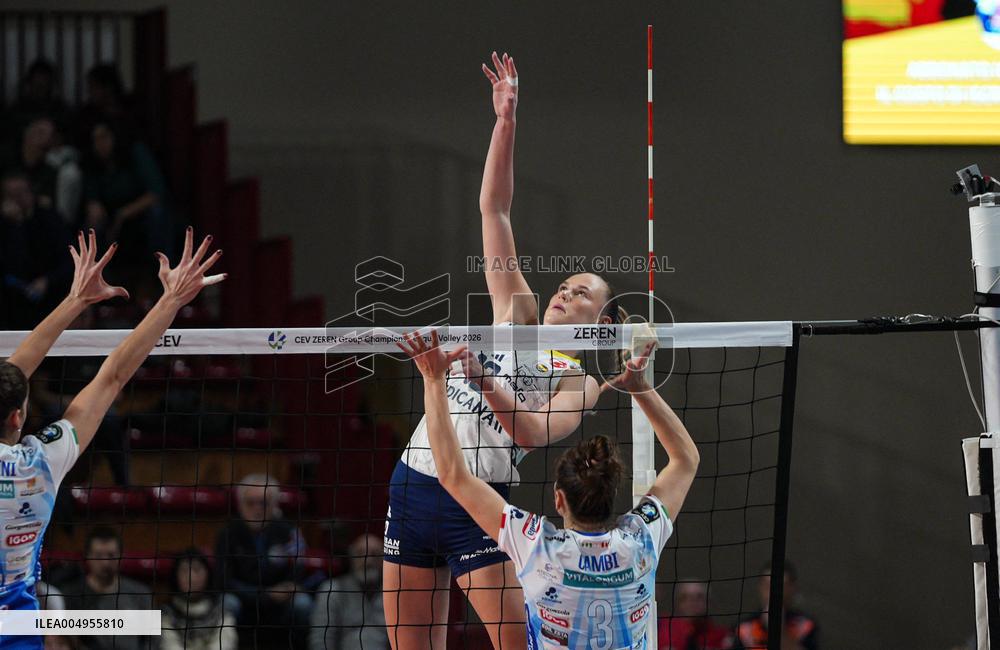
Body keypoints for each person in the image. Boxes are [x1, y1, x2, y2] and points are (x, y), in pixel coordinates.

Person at [382, 52, 627, 650]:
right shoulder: (515, 311)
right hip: (413, 485)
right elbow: (494, 208)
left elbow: (526, 433)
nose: (567, 294)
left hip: (480, 501)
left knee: (516, 643)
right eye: (566, 286)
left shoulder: (574, 384)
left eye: (584, 295)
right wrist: (506, 122)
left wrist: (479, 379)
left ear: (602, 321)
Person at [397, 330, 700, 648]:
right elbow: (686, 460)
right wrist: (641, 388)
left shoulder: (537, 545)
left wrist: (433, 382)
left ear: (559, 499)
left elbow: (451, 474)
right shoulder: (640, 540)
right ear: (610, 494)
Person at [0, 226, 224, 650]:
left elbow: (13, 374)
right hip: (15, 631)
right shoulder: (39, 464)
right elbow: (113, 375)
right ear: (17, 415)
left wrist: (73, 302)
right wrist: (171, 300)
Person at [214, 474, 312, 648]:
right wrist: (263, 594)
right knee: (226, 603)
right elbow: (224, 581)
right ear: (240, 504)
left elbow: (297, 571)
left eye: (264, 503)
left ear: (274, 505)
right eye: (250, 503)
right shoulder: (228, 534)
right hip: (244, 600)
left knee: (303, 604)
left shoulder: (289, 532)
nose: (257, 509)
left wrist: (289, 587)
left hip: (280, 602)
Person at [82, 120, 171, 281]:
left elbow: (156, 192)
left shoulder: (135, 153)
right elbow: (92, 198)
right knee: (90, 227)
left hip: (139, 214)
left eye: (104, 137)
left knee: (158, 215)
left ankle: (160, 279)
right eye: (95, 140)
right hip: (112, 219)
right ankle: (96, 287)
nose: (99, 144)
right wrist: (93, 206)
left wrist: (123, 214)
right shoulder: (94, 166)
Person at [58, 527, 156, 650]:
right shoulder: (69, 595)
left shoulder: (141, 594)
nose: (105, 562)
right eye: (98, 555)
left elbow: (152, 642)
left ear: (121, 556)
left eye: (111, 555)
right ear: (88, 556)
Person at [0, 170, 73, 328]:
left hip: (48, 296)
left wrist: (47, 280)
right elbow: (12, 263)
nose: (16, 200)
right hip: (10, 300)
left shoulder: (50, 219)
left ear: (31, 193)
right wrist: (16, 224)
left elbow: (69, 262)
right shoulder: (3, 224)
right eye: (10, 195)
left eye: (20, 193)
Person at [309, 534, 389, 650]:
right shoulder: (332, 590)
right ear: (351, 558)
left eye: (375, 555)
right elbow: (321, 640)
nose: (368, 561)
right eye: (361, 554)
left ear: (384, 560)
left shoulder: (393, 594)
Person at [161, 548, 237, 650]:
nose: (191, 577)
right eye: (184, 570)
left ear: (208, 574)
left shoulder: (221, 610)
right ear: (175, 576)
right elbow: (169, 645)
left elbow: (225, 644)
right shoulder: (165, 613)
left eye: (197, 570)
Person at [732, 561, 819, 650]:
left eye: (780, 586)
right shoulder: (743, 628)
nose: (772, 591)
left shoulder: (805, 626)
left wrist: (779, 631)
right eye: (767, 586)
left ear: (792, 588)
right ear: (760, 587)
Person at [658, 581, 733, 649]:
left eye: (699, 597)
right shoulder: (662, 629)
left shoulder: (722, 636)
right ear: (677, 603)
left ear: (709, 602)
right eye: (685, 597)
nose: (692, 602)